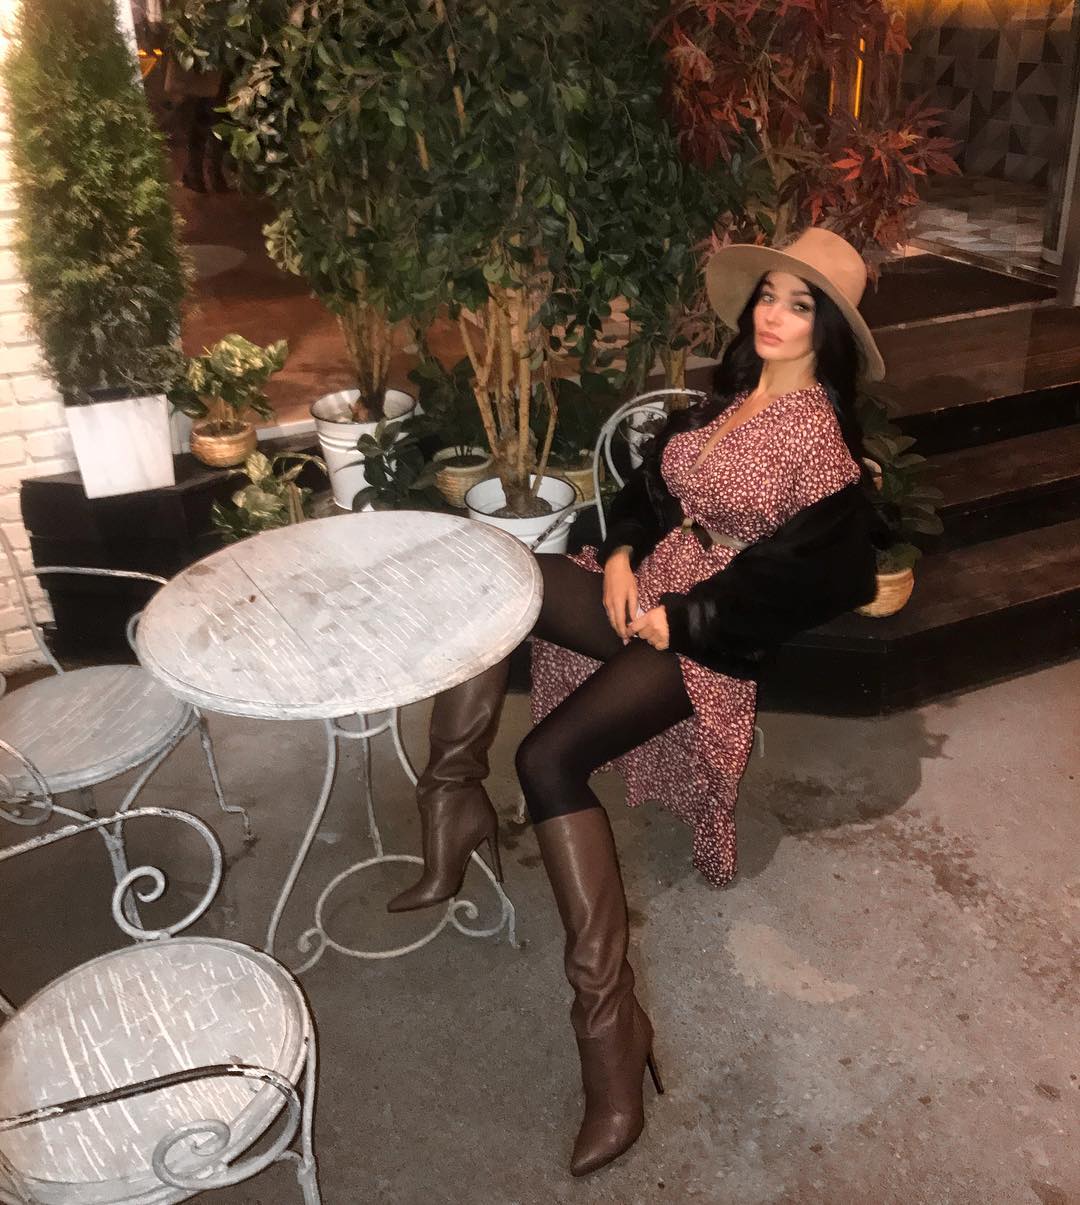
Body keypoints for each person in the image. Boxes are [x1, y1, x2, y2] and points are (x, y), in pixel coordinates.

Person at [389, 228, 885, 1175]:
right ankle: (451, 807)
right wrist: (618, 556)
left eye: (799, 305)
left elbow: (819, 579)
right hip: (648, 588)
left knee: (547, 759)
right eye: (769, 295)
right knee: (500, 579)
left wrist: (683, 616)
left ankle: (612, 1033)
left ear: (827, 331)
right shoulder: (729, 398)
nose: (773, 316)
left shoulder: (819, 441)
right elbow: (650, 492)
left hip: (705, 641)